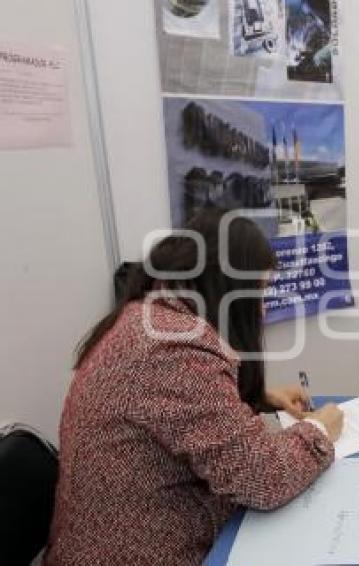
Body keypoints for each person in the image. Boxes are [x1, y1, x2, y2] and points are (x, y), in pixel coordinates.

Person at [45, 208, 343, 564]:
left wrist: (258, 396)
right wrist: (317, 430)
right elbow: (262, 478)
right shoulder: (174, 346)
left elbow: (172, 410)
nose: (261, 311)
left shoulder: (148, 315)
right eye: (258, 293)